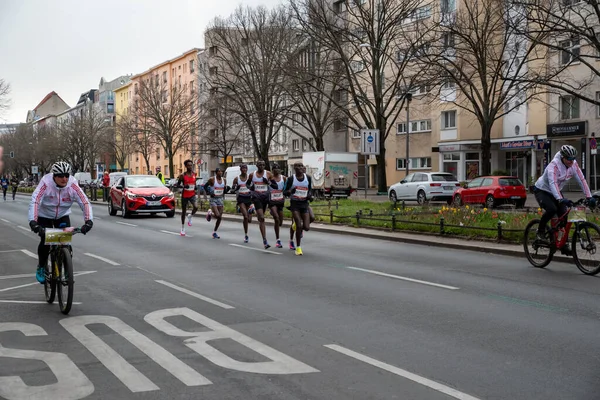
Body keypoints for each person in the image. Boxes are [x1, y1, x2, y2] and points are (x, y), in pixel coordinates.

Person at [28, 161, 93, 283]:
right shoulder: (46, 183)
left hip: (62, 215)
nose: (64, 178)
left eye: (67, 175)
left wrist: (89, 221)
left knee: (65, 243)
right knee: (45, 241)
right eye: (61, 176)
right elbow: (35, 201)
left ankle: (67, 269)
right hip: (45, 215)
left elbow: (84, 201)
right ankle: (41, 266)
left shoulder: (73, 184)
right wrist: (33, 222)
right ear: (54, 176)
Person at [533, 144, 595, 255]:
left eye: (573, 159)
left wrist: (589, 196)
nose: (571, 161)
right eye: (569, 159)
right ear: (562, 157)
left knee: (565, 215)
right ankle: (541, 231)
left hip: (556, 191)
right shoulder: (554, 165)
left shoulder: (573, 165)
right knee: (552, 209)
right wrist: (560, 199)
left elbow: (582, 179)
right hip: (542, 190)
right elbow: (553, 183)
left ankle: (563, 244)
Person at [283, 162, 313, 256]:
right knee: (299, 226)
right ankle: (298, 248)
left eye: (301, 166)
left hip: (304, 203)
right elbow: (284, 192)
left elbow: (310, 190)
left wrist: (310, 196)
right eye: (298, 166)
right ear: (294, 168)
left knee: (307, 227)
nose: (300, 168)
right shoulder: (291, 179)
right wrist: (291, 191)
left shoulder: (308, 178)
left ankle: (295, 226)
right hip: (295, 204)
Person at [248, 160, 272, 249]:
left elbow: (274, 185)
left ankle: (252, 209)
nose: (261, 166)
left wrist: (268, 182)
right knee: (262, 218)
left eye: (263, 164)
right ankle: (265, 240)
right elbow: (247, 184)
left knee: (260, 218)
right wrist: (251, 187)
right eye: (260, 165)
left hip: (265, 198)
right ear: (257, 166)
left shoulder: (268, 174)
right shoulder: (252, 175)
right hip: (256, 197)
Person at [230, 164, 254, 243]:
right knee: (245, 217)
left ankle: (250, 210)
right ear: (240, 170)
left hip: (249, 198)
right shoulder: (236, 179)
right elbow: (232, 190)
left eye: (245, 169)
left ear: (247, 169)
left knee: (249, 220)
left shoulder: (250, 177)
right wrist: (236, 188)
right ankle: (246, 235)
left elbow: (254, 186)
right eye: (243, 169)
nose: (244, 170)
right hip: (241, 198)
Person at [204, 168, 227, 239]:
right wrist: (210, 192)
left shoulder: (224, 180)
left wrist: (226, 189)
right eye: (219, 171)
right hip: (213, 199)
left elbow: (224, 189)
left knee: (219, 217)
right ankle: (210, 213)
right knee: (217, 215)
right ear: (216, 173)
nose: (221, 172)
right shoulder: (212, 179)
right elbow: (205, 186)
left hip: (220, 199)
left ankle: (214, 232)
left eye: (221, 171)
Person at [178, 159, 198, 236]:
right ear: (186, 166)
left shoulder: (194, 174)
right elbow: (178, 185)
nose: (190, 166)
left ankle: (190, 216)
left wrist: (195, 187)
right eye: (188, 165)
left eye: (191, 165)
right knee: (184, 211)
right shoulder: (182, 175)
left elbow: (194, 183)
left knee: (196, 207)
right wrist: (183, 186)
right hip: (185, 195)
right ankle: (182, 228)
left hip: (192, 194)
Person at [268, 164, 286, 249]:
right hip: (272, 201)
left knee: (280, 222)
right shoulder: (270, 178)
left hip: (280, 201)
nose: (276, 170)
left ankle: (274, 214)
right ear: (272, 170)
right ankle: (278, 240)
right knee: (276, 218)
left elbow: (287, 188)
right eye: (274, 169)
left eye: (278, 169)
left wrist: (285, 193)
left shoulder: (284, 178)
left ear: (280, 170)